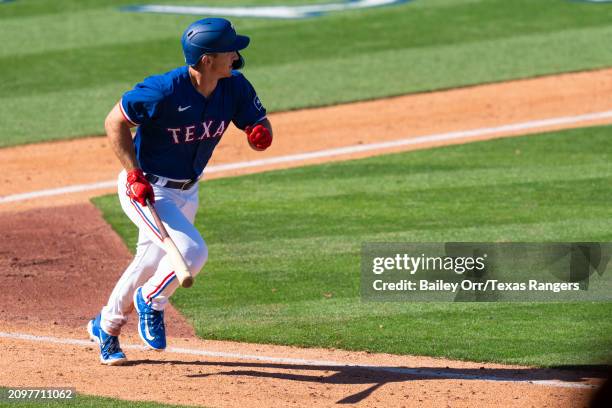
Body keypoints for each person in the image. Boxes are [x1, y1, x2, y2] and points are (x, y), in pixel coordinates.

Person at [86, 17, 272, 365]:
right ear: (207, 60)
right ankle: (151, 300)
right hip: (146, 191)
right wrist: (133, 173)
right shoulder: (163, 91)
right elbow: (115, 122)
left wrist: (259, 132)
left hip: (188, 192)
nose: (236, 54)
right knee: (191, 252)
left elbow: (255, 119)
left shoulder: (234, 86)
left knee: (148, 263)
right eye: (229, 50)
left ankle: (105, 327)